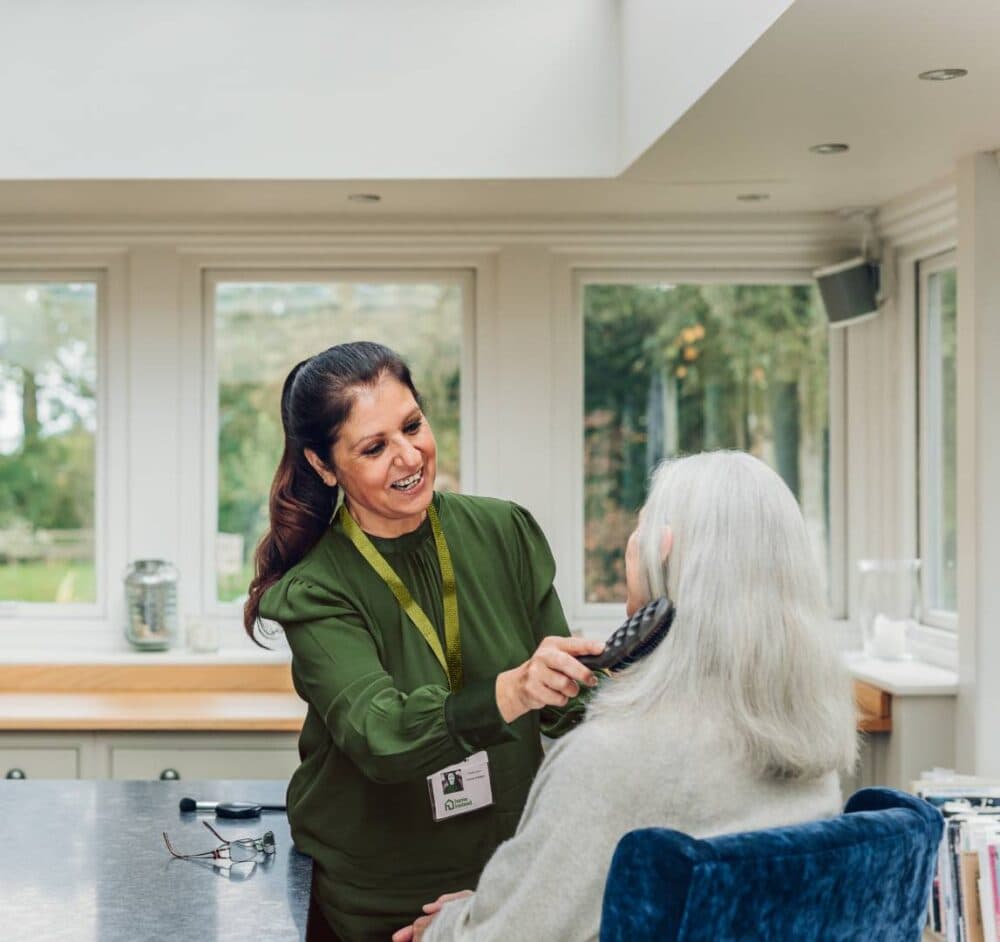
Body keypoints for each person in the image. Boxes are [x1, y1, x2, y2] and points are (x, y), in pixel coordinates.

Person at [394, 450, 858, 942]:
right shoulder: (812, 751)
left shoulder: (609, 760)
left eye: (639, 529)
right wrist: (493, 904)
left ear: (664, 552)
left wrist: (446, 927)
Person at [243, 341, 603, 942]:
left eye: (413, 426)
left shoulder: (504, 531)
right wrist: (511, 692)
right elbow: (381, 736)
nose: (409, 456)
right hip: (379, 903)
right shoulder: (316, 589)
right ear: (324, 465)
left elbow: (572, 709)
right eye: (374, 447)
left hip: (503, 886)